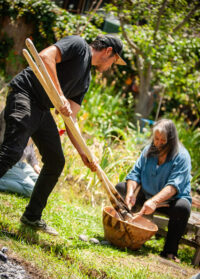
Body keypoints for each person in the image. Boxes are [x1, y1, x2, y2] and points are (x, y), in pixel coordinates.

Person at [0, 34, 126, 235]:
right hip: (25, 93)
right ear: (109, 52)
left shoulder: (86, 79)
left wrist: (84, 153)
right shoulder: (78, 45)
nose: (113, 66)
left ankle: (32, 216)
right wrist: (60, 96)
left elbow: (71, 119)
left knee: (56, 160)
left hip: (41, 108)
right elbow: (45, 57)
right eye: (114, 61)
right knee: (11, 153)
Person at [115, 119, 192, 262]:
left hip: (170, 201)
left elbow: (173, 186)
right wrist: (131, 193)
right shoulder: (149, 150)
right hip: (147, 195)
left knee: (183, 208)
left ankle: (170, 251)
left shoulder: (182, 156)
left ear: (172, 141)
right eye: (156, 139)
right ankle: (120, 231)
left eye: (163, 141)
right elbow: (135, 173)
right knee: (121, 189)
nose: (158, 143)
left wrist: (154, 201)